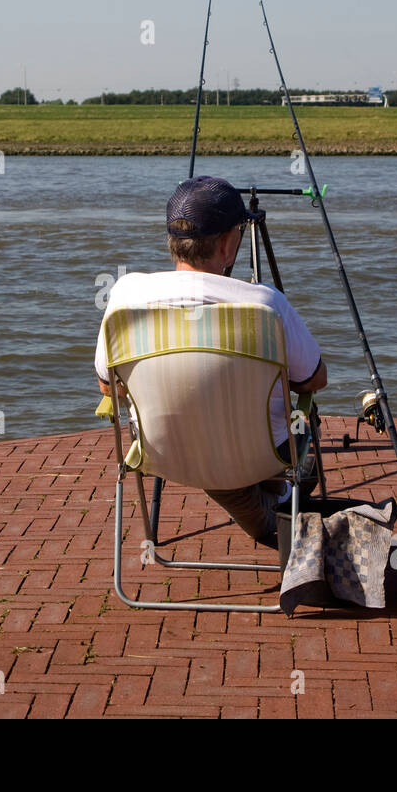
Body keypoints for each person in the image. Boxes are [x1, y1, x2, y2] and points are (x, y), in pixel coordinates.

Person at [94, 176, 327, 548]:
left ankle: (277, 500)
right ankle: (280, 504)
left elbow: (109, 387)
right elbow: (314, 380)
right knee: (292, 418)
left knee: (203, 426)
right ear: (227, 243)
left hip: (161, 452)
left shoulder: (125, 296)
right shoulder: (265, 305)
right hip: (262, 454)